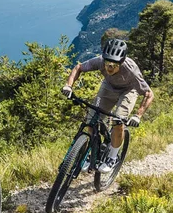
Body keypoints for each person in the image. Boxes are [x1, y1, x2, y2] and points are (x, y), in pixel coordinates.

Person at [62, 37, 154, 172]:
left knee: (118, 121)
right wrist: (68, 86)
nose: (110, 67)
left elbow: (149, 94)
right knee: (91, 120)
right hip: (108, 87)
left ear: (121, 62)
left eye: (114, 65)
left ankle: (112, 156)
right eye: (107, 63)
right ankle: (92, 152)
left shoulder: (131, 70)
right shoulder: (100, 61)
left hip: (128, 91)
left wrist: (137, 115)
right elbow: (79, 67)